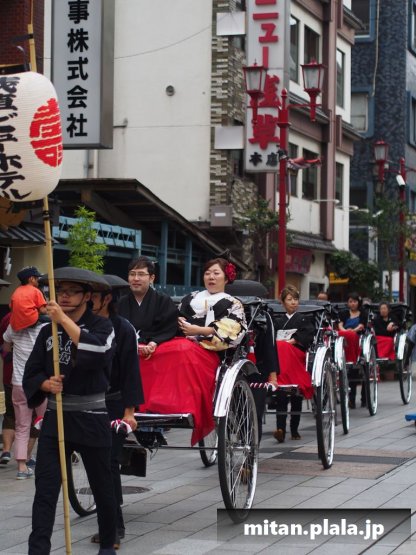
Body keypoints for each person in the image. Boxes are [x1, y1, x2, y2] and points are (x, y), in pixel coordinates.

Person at [23, 267, 118, 555]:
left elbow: (99, 353)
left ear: (87, 296)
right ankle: (38, 549)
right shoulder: (46, 332)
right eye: (60, 291)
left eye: (72, 291)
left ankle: (107, 544)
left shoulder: (103, 326)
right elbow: (32, 371)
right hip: (56, 419)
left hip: (91, 417)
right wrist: (45, 383)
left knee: (102, 486)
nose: (64, 296)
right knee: (45, 489)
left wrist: (62, 319)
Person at [139, 257, 247, 446]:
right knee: (152, 354)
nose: (211, 277)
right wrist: (173, 325)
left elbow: (232, 331)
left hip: (208, 351)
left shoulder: (233, 303)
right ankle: (148, 409)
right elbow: (170, 319)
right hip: (179, 342)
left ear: (226, 278)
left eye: (216, 273)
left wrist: (199, 331)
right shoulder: (190, 298)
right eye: (207, 273)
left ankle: (181, 406)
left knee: (183, 350)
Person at [90, 274, 143, 546]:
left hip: (114, 401)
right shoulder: (82, 325)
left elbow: (131, 372)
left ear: (107, 298)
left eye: (92, 295)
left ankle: (114, 527)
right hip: (87, 402)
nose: (88, 300)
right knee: (96, 464)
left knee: (108, 462)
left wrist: (129, 412)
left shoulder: (123, 328)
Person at [2, 313, 47, 479]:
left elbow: (6, 348)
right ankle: (48, 459)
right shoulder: (45, 327)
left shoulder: (13, 326)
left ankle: (21, 467)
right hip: (41, 383)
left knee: (21, 425)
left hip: (19, 383)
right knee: (46, 422)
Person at [272, 285, 315, 443]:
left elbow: (307, 335)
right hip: (280, 358)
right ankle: (280, 429)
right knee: (281, 396)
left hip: (296, 355)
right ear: (283, 302)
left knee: (296, 397)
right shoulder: (277, 321)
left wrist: (290, 342)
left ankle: (294, 429)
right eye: (289, 299)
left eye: (295, 299)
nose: (293, 302)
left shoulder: (303, 319)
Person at [117, 256, 178, 357]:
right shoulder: (121, 302)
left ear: (151, 278)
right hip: (126, 350)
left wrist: (154, 342)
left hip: (155, 350)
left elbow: (168, 328)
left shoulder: (163, 301)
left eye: (141, 274)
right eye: (132, 274)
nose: (136, 278)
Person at [338, 292, 367, 408]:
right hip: (345, 335)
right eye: (350, 301)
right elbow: (340, 325)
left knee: (355, 373)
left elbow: (361, 326)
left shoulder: (363, 313)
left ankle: (362, 399)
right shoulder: (344, 313)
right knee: (338, 335)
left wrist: (352, 331)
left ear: (358, 302)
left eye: (355, 301)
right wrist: (345, 331)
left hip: (357, 336)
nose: (353, 303)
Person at [9, 266, 47, 331]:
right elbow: (43, 311)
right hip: (31, 321)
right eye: (37, 278)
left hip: (16, 323)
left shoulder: (16, 291)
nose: (38, 280)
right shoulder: (36, 291)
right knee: (52, 320)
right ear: (31, 279)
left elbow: (11, 307)